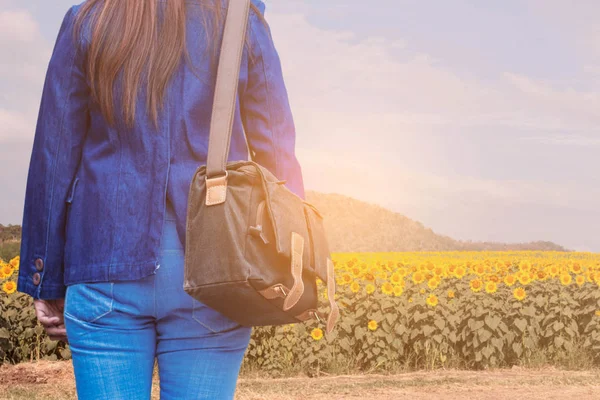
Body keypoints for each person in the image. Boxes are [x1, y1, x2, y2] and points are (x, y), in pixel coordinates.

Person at [16, 0, 305, 398]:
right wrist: (289, 263)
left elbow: (54, 156)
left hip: (104, 267)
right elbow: (276, 153)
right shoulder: (240, 20)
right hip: (213, 270)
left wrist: (43, 275)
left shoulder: (88, 20)